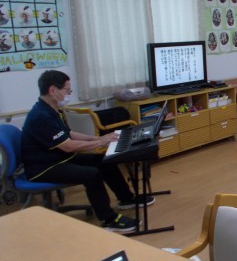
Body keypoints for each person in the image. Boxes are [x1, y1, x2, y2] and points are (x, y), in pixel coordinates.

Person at [21, 70, 154, 233]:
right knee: (91, 174)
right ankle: (109, 220)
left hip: (59, 158)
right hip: (43, 167)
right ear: (52, 90)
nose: (69, 94)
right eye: (67, 90)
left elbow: (69, 134)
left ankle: (126, 198)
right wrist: (100, 142)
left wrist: (98, 138)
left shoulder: (53, 109)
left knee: (105, 160)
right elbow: (68, 146)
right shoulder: (41, 116)